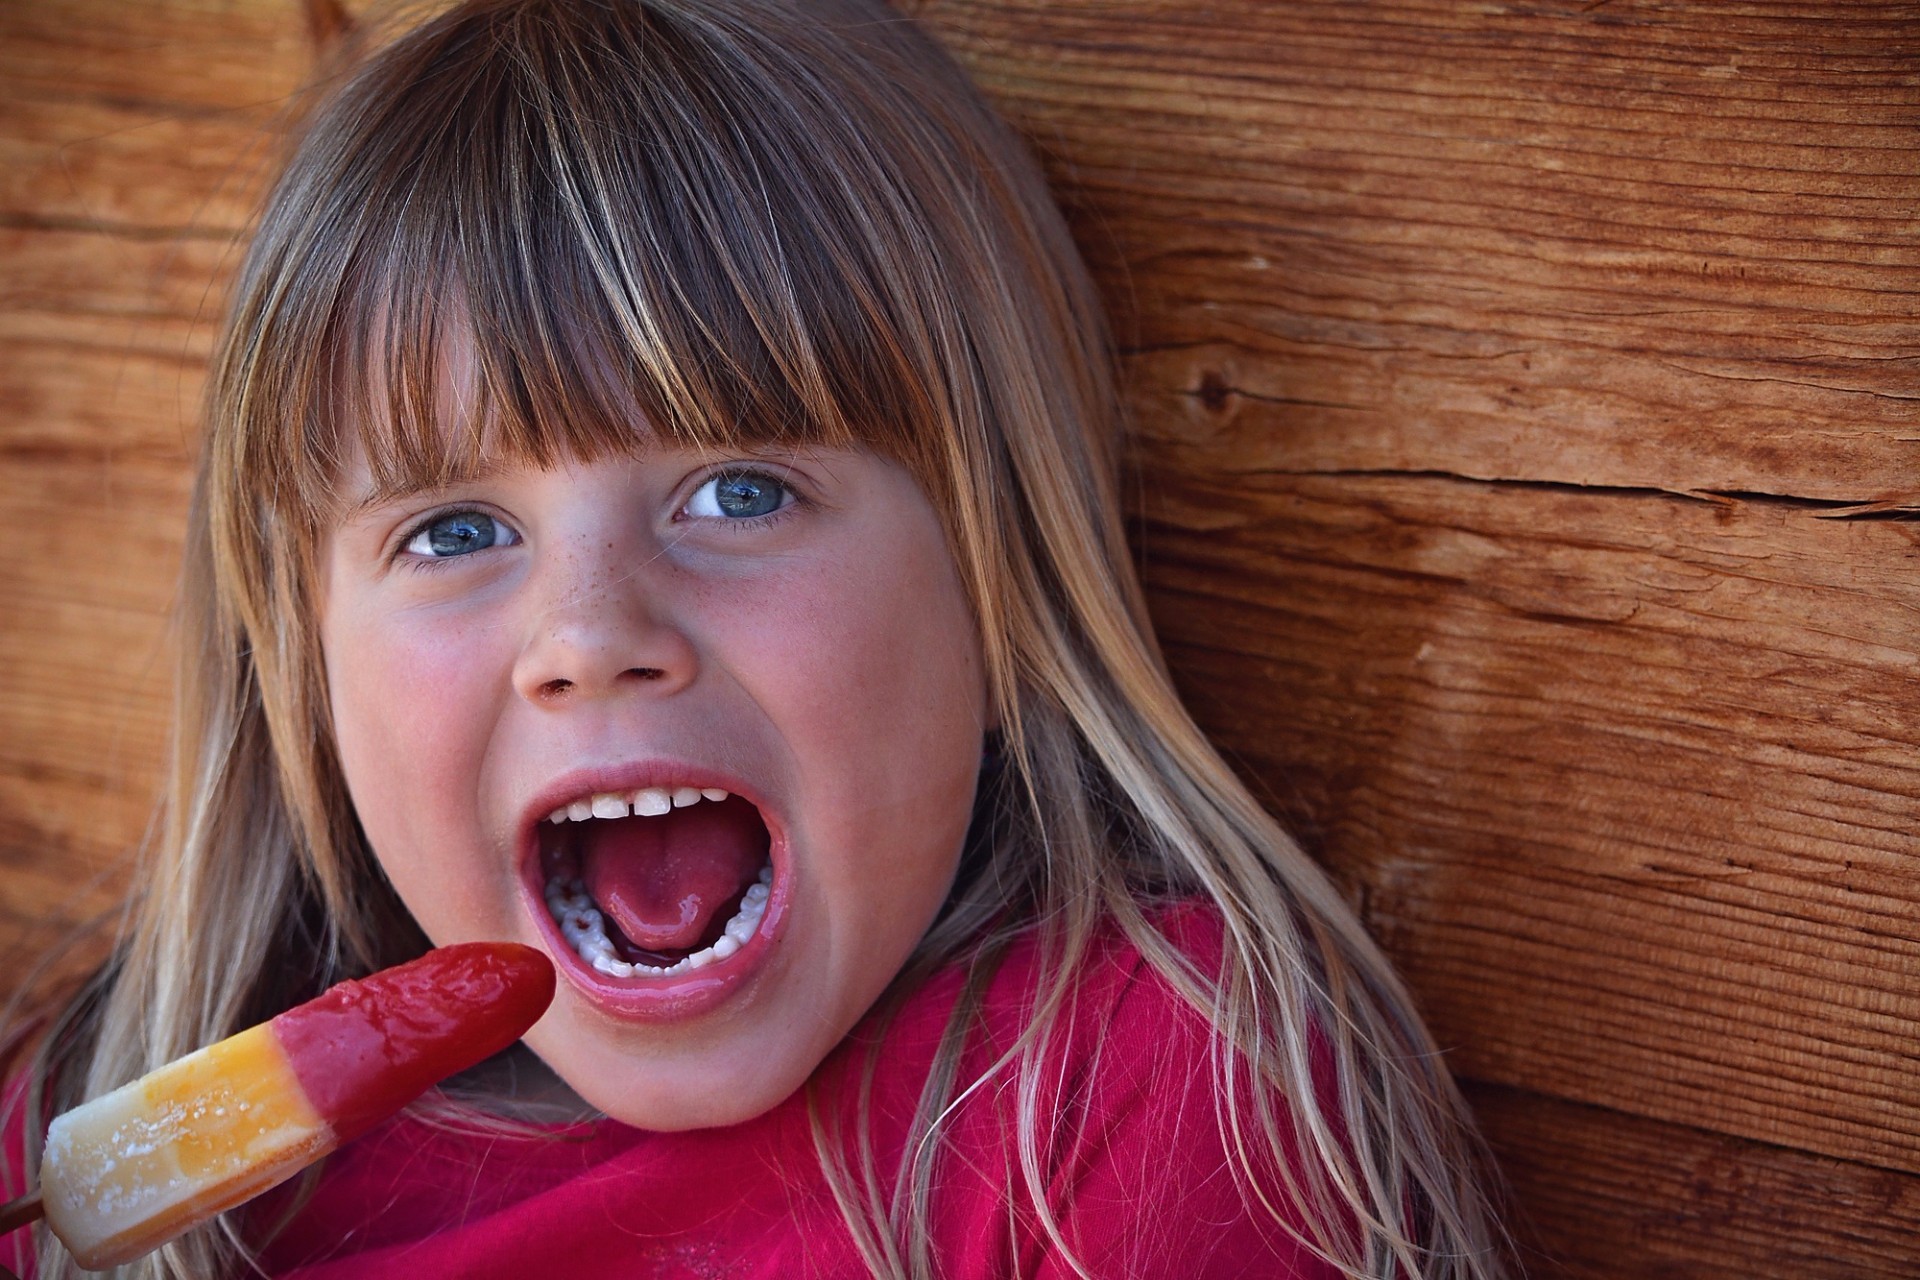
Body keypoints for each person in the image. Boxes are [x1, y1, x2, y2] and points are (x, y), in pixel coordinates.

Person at [2, 1, 1510, 1276]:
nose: (590, 637)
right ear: (299, 663)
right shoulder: (108, 1140)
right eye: (453, 530)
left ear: (1003, 581)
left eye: (740, 491)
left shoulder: (1140, 1100)